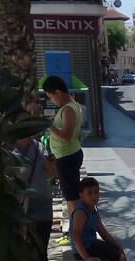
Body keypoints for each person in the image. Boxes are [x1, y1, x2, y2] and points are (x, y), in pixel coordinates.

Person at [16, 133, 61, 261]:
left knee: (40, 254)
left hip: (41, 210)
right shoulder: (6, 149)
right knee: (21, 256)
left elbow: (51, 175)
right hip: (18, 211)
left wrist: (51, 166)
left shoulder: (39, 147)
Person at [69, 177, 128, 261]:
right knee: (119, 257)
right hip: (84, 249)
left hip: (91, 244)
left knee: (119, 252)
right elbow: (75, 236)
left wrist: (117, 245)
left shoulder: (93, 210)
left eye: (96, 192)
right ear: (81, 195)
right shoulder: (81, 212)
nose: (93, 196)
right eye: (89, 193)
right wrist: (86, 257)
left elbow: (103, 233)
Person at [43, 75, 84, 216]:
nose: (50, 100)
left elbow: (66, 136)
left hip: (67, 157)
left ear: (57, 92)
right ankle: (75, 226)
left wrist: (49, 126)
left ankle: (77, 228)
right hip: (67, 155)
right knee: (70, 194)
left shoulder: (68, 109)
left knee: (72, 197)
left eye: (50, 96)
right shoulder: (71, 106)